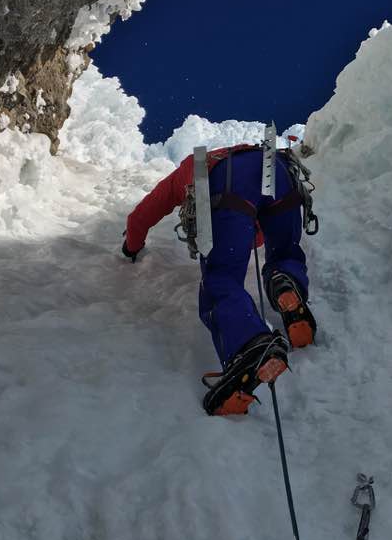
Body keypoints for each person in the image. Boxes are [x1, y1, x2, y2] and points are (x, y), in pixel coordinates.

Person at [122, 143, 317, 415]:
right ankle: (286, 282)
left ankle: (249, 344)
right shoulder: (251, 151)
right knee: (285, 254)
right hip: (280, 171)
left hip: (228, 185)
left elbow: (144, 214)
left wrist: (131, 246)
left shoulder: (193, 166)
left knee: (221, 278)